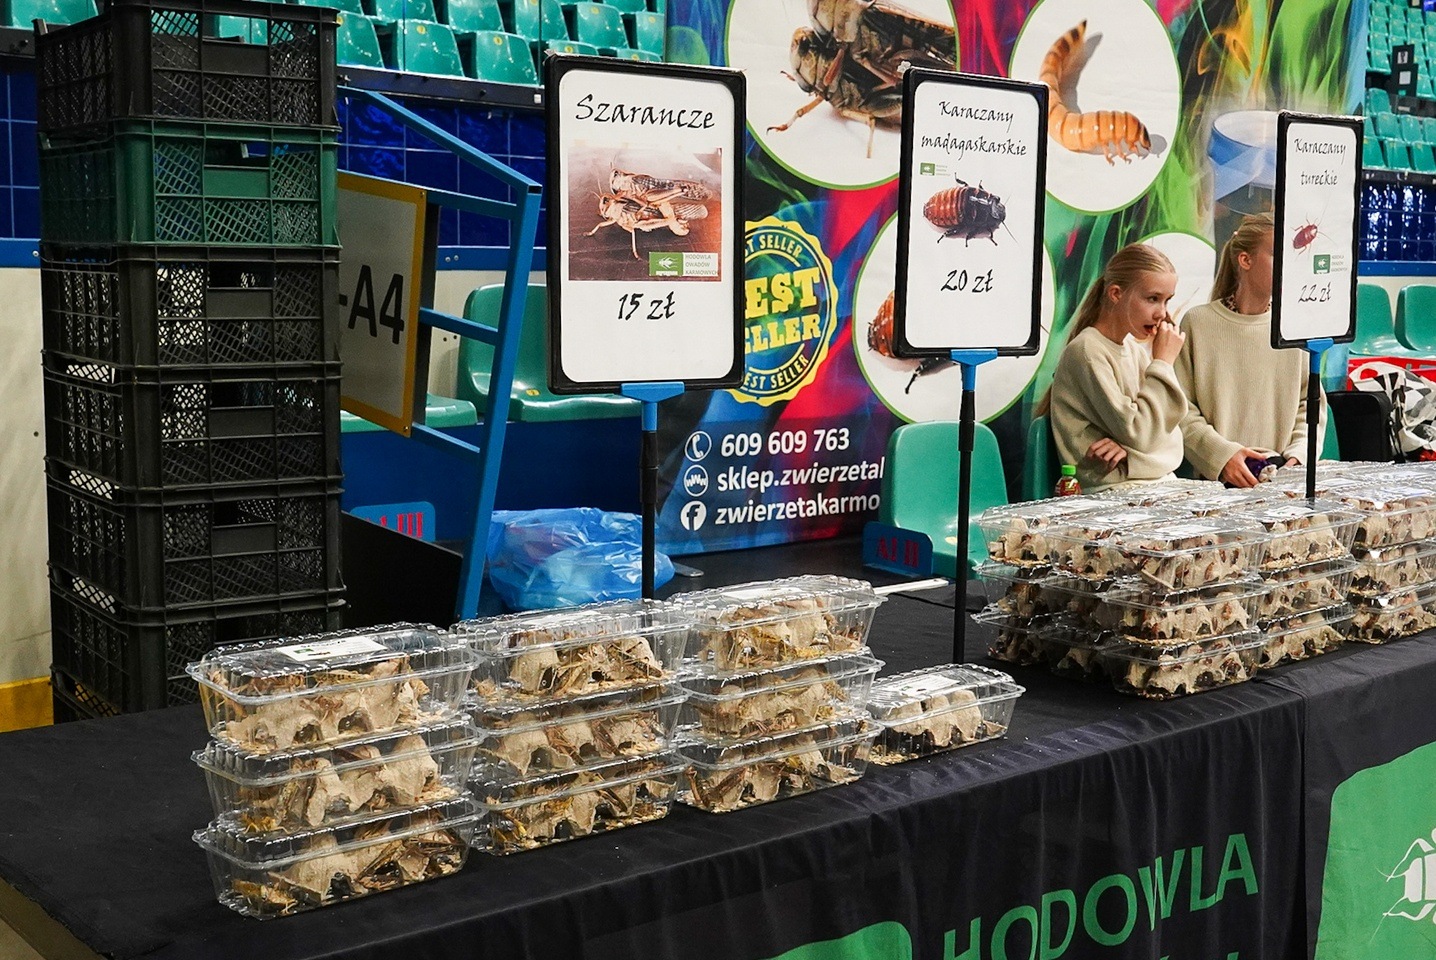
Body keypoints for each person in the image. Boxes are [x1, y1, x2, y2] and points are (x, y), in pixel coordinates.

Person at [1174, 213, 1322, 488]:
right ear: (1245, 260)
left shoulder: (1294, 326)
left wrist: (1299, 456)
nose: (1288, 265)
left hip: (1283, 481)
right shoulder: (1198, 323)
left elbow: (1311, 402)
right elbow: (1180, 407)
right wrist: (1222, 457)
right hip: (1217, 484)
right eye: (1277, 255)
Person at [1043, 243, 1187, 494]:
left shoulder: (1133, 349)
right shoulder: (1087, 351)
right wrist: (1163, 363)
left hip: (1149, 484)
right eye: (1152, 299)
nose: (1162, 314)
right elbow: (1141, 434)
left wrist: (1130, 455)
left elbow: (1173, 440)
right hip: (1111, 491)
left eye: (1167, 301)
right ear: (1116, 294)